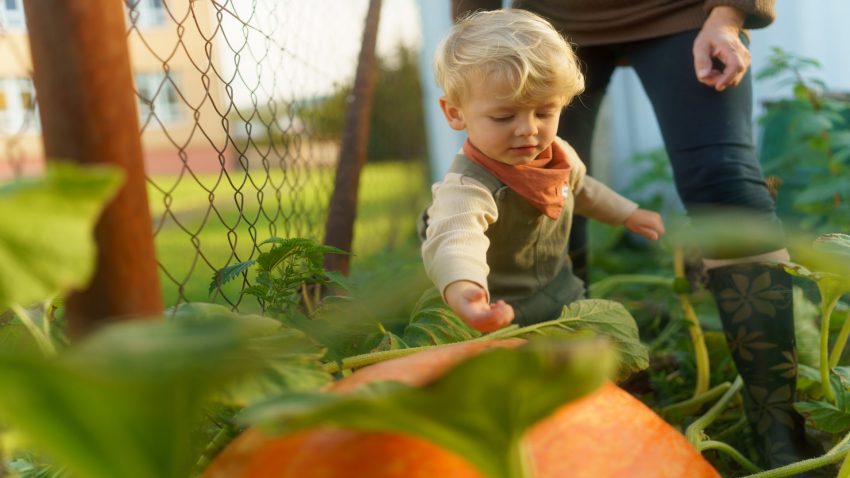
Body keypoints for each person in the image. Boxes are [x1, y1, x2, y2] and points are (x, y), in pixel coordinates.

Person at [450, 0, 827, 473]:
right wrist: (474, 40)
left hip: (686, 10)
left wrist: (729, 14)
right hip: (549, 19)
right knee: (532, 184)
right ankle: (571, 409)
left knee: (724, 183)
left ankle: (779, 429)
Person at [420, 9, 665, 335]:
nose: (528, 130)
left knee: (590, 348)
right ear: (455, 113)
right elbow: (455, 239)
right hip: (497, 310)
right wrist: (466, 291)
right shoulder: (468, 187)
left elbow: (582, 188)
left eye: (544, 113)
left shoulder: (558, 154)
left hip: (560, 292)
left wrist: (628, 214)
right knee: (521, 364)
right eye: (504, 117)